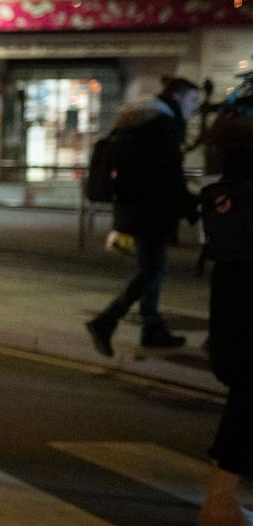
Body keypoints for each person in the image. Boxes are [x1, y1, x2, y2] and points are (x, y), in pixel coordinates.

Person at [87, 77, 202, 356]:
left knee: (152, 268)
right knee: (151, 270)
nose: (194, 108)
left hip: (133, 208)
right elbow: (168, 175)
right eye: (192, 101)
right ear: (180, 96)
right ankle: (106, 321)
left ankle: (152, 328)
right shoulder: (162, 125)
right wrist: (191, 207)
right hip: (151, 210)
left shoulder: (140, 119)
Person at [197, 107, 253, 526]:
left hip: (231, 294)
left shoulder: (221, 192)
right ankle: (220, 506)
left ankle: (220, 501)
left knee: (243, 396)